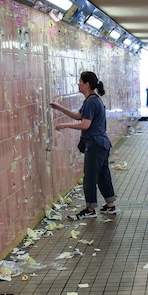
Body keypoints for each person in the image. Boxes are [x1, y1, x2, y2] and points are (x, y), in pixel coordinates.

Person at [50, 71, 118, 219]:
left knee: (90, 177)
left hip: (94, 144)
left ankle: (90, 209)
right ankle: (110, 205)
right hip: (102, 144)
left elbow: (85, 124)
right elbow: (79, 116)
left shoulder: (91, 102)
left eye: (80, 81)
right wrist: (60, 108)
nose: (78, 84)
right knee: (102, 174)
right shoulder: (93, 100)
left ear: (86, 84)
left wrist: (65, 126)